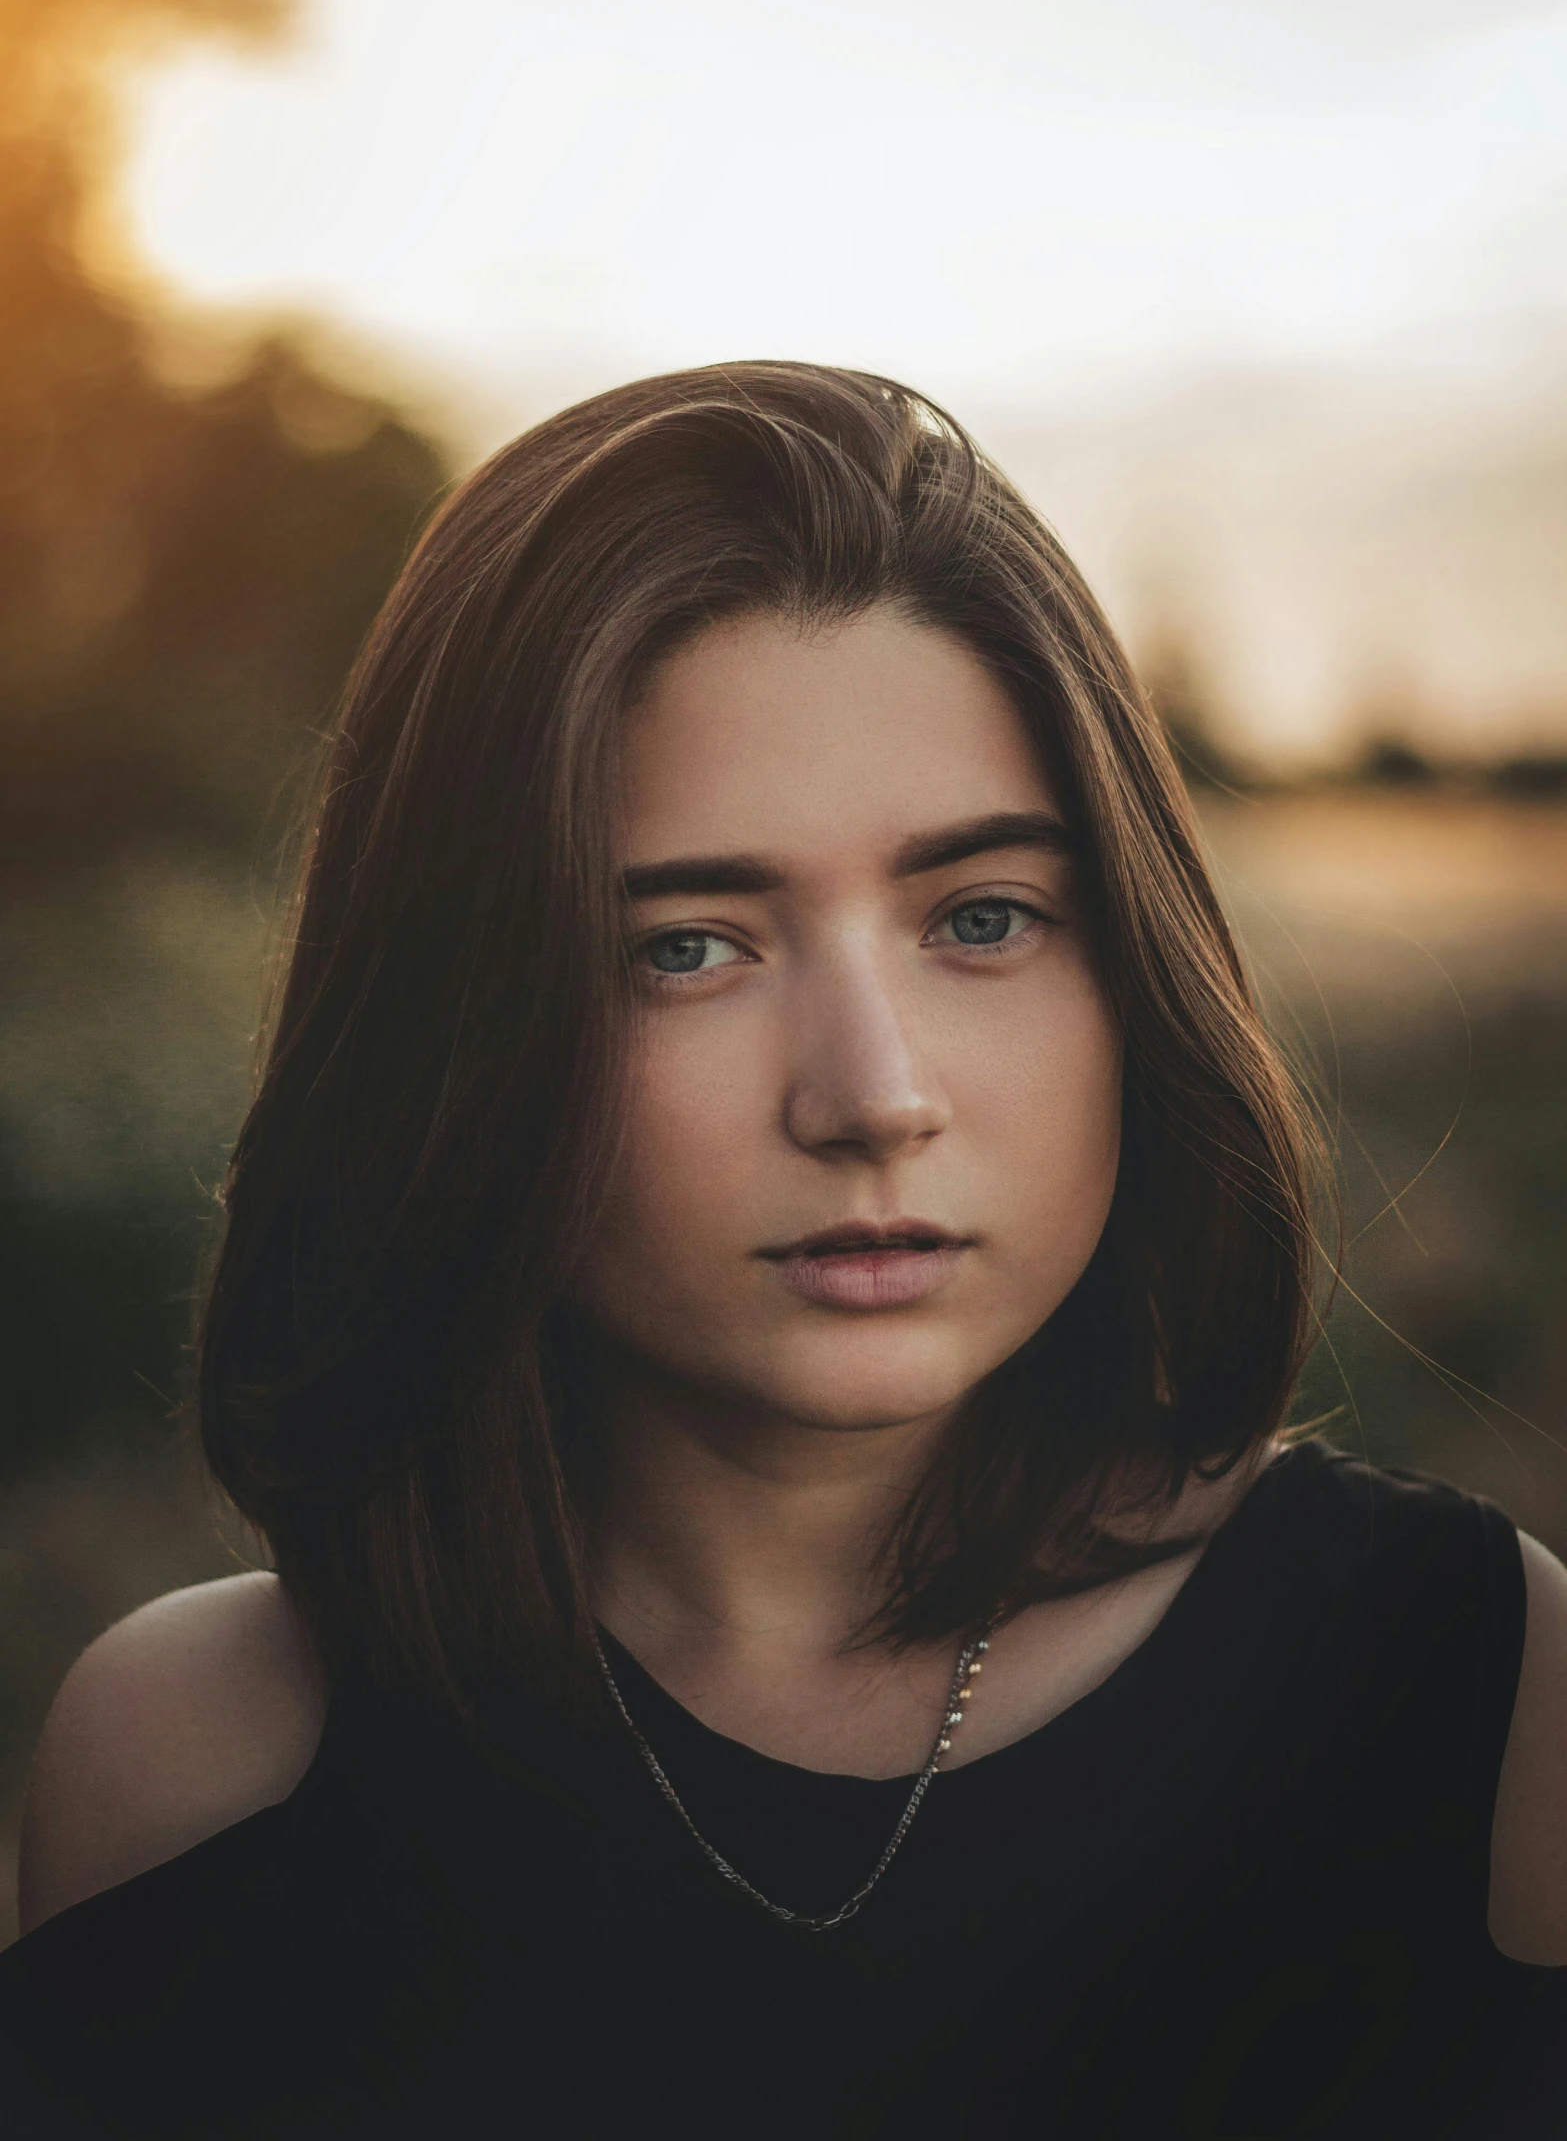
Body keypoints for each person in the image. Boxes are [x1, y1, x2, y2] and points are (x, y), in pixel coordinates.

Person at [2, 362, 1564, 2139]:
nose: (873, 1096)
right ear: (458, 1026)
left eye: (981, 917)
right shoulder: (201, 1768)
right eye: (688, 945)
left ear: (1130, 968)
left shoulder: (1465, 1680)